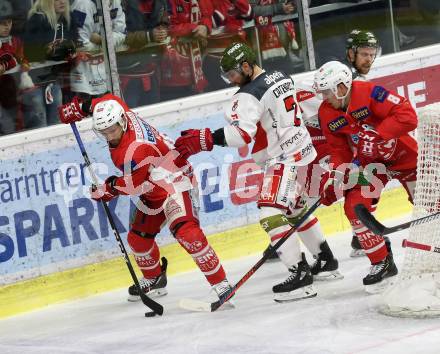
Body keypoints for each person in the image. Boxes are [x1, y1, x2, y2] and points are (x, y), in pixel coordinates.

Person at [174, 42, 341, 302]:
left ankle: (300, 276)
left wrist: (204, 139)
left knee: (269, 214)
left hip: (284, 159)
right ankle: (326, 260)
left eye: (233, 74)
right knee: (295, 209)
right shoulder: (281, 76)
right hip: (305, 153)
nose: (231, 81)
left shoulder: (248, 95)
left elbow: (241, 135)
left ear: (245, 65)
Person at [57, 93, 233, 303]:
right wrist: (79, 108)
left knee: (188, 234)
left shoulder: (133, 150)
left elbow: (134, 184)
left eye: (112, 129)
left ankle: (221, 283)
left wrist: (108, 188)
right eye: (103, 131)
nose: (109, 136)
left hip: (175, 181)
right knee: (138, 240)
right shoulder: (119, 108)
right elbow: (105, 99)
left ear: (122, 121)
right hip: (153, 185)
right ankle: (154, 278)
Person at [313, 60, 418, 293]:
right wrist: (337, 175)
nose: (324, 97)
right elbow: (338, 150)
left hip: (403, 157)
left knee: (430, 204)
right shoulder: (327, 112)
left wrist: (379, 134)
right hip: (371, 168)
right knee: (354, 207)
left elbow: (408, 116)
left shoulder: (369, 92)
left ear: (341, 87)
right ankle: (382, 262)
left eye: (327, 92)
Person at [22, 0, 77, 129]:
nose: (62, 1)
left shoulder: (67, 19)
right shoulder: (36, 19)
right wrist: (48, 51)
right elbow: (29, 52)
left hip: (53, 79)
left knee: (56, 123)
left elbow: (74, 44)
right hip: (33, 82)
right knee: (39, 124)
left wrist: (68, 49)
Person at [70, 0, 126, 100]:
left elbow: (122, 34)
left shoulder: (116, 2)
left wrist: (102, 40)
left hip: (108, 79)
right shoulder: (82, 4)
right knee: (89, 114)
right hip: (85, 83)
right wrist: (106, 44)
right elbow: (80, 45)